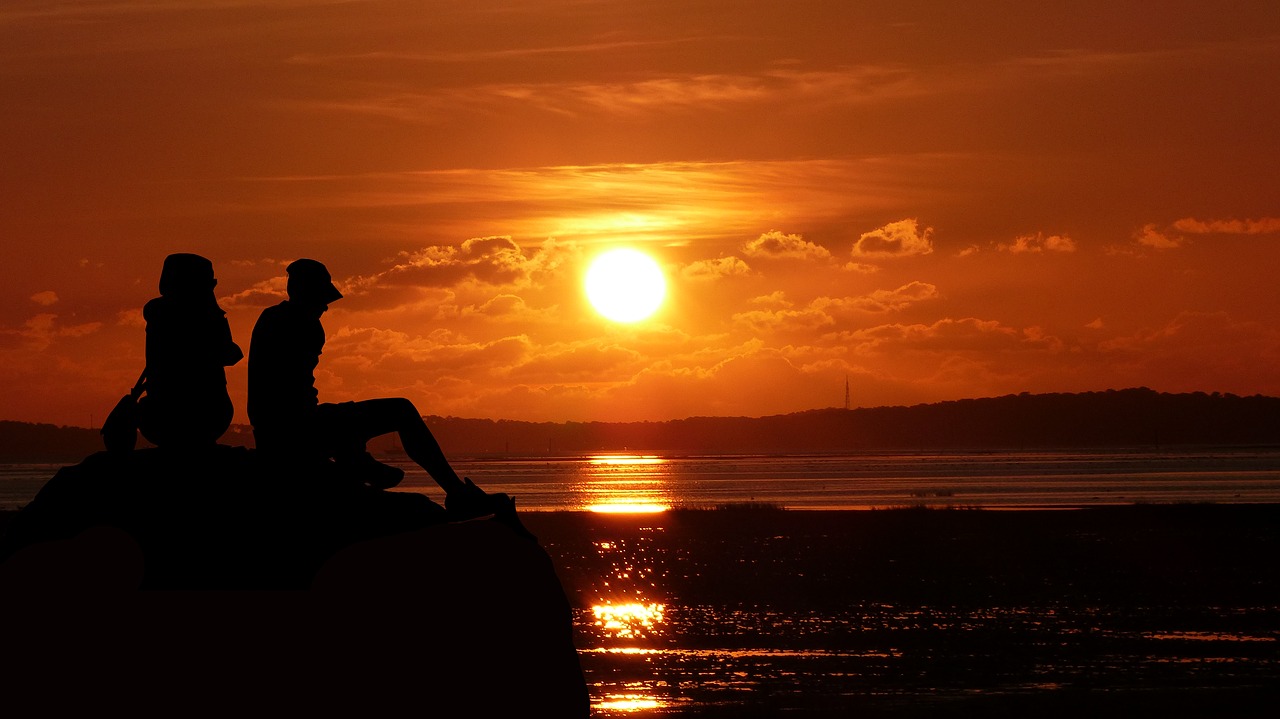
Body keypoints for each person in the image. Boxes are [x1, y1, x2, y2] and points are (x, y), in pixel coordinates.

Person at [247, 259, 514, 526]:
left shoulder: (280, 320)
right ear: (306, 293)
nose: (326, 306)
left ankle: (360, 462)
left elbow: (294, 393)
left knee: (392, 411)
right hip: (293, 431)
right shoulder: (295, 323)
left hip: (292, 426)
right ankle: (454, 493)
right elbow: (286, 398)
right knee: (401, 410)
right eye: (321, 299)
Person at [137, 253, 244, 449]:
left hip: (159, 416)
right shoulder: (200, 315)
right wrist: (214, 309)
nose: (213, 288)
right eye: (210, 283)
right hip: (204, 414)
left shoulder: (157, 312)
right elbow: (230, 353)